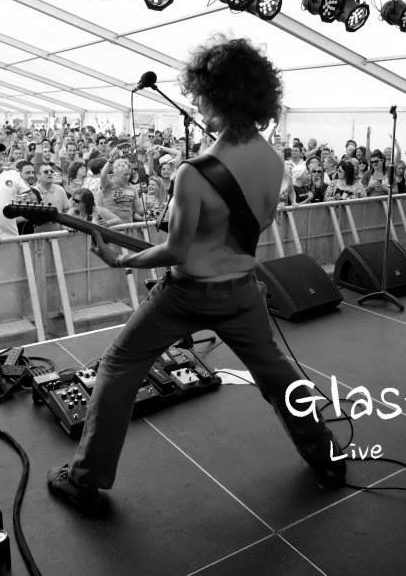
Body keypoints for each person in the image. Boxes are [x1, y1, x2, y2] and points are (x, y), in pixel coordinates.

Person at [46, 36, 345, 516]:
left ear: (217, 96)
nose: (197, 104)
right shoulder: (273, 160)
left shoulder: (194, 173)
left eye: (201, 96)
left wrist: (120, 261)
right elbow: (261, 219)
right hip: (242, 291)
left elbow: (175, 250)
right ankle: (328, 456)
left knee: (118, 367)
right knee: (277, 374)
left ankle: (85, 480)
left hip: (185, 295)